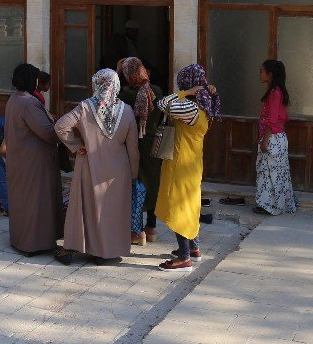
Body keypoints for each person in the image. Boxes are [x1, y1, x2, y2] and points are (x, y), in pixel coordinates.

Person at [54, 69, 139, 265]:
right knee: (112, 210)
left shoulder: (85, 107)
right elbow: (133, 148)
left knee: (86, 208)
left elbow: (60, 126)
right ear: (116, 85)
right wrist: (133, 175)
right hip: (118, 170)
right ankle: (105, 252)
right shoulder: (126, 110)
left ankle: (81, 246)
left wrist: (77, 146)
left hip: (89, 165)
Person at [155, 64, 220, 273]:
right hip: (192, 163)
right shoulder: (204, 107)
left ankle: (183, 258)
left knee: (179, 207)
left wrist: (183, 93)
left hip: (180, 164)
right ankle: (193, 248)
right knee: (190, 205)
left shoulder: (191, 108)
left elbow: (162, 104)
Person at [4, 63, 62, 257]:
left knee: (23, 201)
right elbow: (47, 133)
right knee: (36, 202)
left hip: (20, 159)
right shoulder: (29, 102)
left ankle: (21, 239)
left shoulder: (14, 99)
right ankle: (34, 243)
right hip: (34, 163)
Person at [118, 57, 163, 245]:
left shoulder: (126, 96)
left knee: (136, 185)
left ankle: (137, 231)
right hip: (154, 143)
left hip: (134, 144)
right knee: (152, 183)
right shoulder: (157, 91)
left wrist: (118, 75)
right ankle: (151, 227)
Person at [254, 59, 296, 216]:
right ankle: (277, 204)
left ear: (270, 74)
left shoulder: (274, 93)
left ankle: (269, 206)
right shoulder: (278, 91)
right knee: (277, 173)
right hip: (278, 138)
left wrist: (265, 140)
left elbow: (272, 119)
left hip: (271, 138)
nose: (260, 74)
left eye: (261, 71)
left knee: (268, 173)